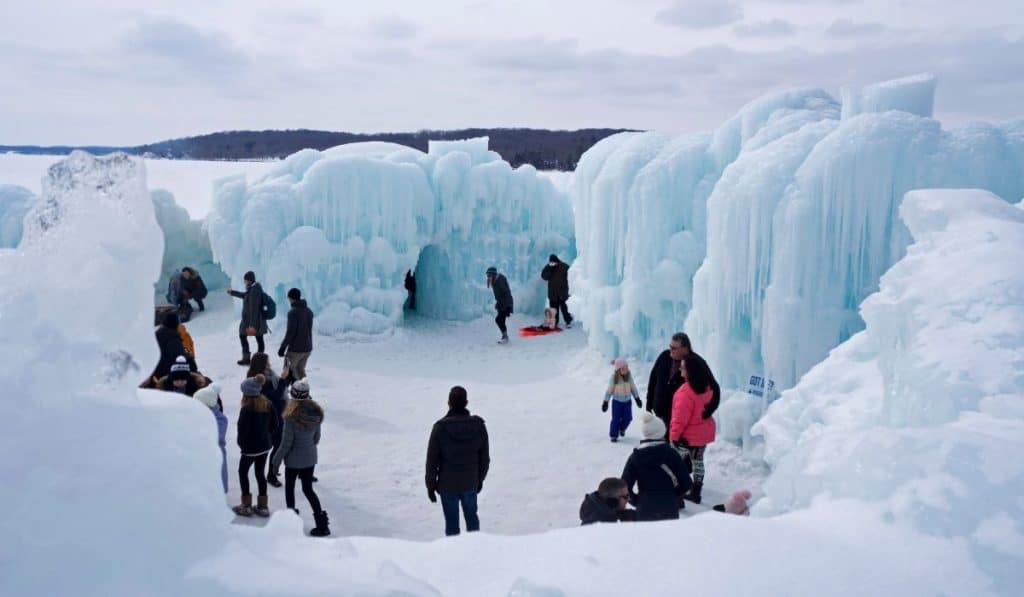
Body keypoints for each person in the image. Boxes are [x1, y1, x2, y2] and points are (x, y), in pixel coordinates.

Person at [425, 386, 490, 537]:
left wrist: (430, 485)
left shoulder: (440, 428)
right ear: (466, 403)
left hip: (447, 486)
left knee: (452, 526)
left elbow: (432, 460)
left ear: (449, 403)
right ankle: (475, 552)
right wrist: (479, 480)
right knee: (472, 522)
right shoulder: (478, 426)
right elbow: (484, 459)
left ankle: (454, 557)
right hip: (470, 483)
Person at [271, 379, 330, 537]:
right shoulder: (317, 414)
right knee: (308, 489)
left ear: (293, 396)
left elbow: (285, 444)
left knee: (290, 490)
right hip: (310, 458)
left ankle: (292, 525)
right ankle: (322, 524)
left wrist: (275, 463)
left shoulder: (290, 418)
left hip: (293, 461)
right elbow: (316, 438)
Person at [645, 332, 721, 436]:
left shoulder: (696, 363)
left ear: (685, 348)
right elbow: (653, 380)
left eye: (674, 348)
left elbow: (714, 388)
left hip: (680, 422)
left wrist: (706, 413)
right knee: (659, 450)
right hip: (659, 416)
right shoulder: (664, 356)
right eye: (670, 346)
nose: (670, 350)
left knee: (673, 450)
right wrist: (649, 404)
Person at [620, 412, 692, 521]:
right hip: (669, 508)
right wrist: (672, 496)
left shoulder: (635, 457)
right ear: (662, 432)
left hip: (644, 508)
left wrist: (637, 501)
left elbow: (624, 486)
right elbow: (686, 483)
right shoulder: (672, 454)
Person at [669, 353, 717, 504]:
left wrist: (674, 438)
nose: (680, 370)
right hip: (702, 435)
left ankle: (677, 491)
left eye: (682, 367)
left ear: (690, 371)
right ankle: (696, 492)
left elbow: (679, 420)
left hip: (686, 437)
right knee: (698, 462)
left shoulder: (685, 393)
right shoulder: (708, 386)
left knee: (674, 462)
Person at [232, 375, 278, 518]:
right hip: (265, 446)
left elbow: (242, 430)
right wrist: (266, 437)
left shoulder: (246, 409)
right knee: (260, 473)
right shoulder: (268, 404)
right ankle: (263, 506)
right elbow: (275, 424)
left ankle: (246, 505)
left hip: (250, 449)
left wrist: (243, 445)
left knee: (242, 472)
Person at [247, 353, 288, 488]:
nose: (269, 364)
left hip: (278, 414)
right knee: (273, 446)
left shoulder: (269, 374)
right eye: (267, 362)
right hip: (270, 417)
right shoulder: (259, 380)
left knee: (276, 445)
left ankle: (271, 472)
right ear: (261, 364)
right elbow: (275, 397)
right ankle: (270, 474)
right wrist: (283, 378)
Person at [227, 271, 268, 366]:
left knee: (255, 338)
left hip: (255, 321)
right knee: (257, 338)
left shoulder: (254, 291)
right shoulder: (252, 289)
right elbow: (244, 296)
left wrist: (252, 326)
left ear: (249, 280)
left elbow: (254, 310)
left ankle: (256, 360)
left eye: (245, 280)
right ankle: (255, 359)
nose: (244, 281)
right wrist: (232, 292)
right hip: (253, 321)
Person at [194, 384, 229, 493]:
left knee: (216, 481)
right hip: (203, 454)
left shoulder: (219, 419)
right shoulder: (199, 414)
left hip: (215, 455)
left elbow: (218, 437)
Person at [278, 288, 313, 381]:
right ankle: (304, 393)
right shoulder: (309, 311)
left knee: (287, 372)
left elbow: (290, 332)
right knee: (300, 370)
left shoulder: (293, 312)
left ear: (291, 298)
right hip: (307, 348)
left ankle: (289, 393)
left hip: (295, 349)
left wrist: (282, 347)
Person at [603, 358, 642, 442]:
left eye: (627, 367)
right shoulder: (614, 378)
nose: (626, 369)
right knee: (615, 419)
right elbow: (609, 390)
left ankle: (622, 428)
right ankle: (614, 435)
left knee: (628, 418)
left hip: (627, 402)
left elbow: (633, 387)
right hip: (617, 402)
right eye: (624, 368)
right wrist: (605, 402)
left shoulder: (629, 376)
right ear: (618, 370)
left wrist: (637, 398)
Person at [151, 311, 187, 382]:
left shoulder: (156, 335)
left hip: (155, 370)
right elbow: (178, 357)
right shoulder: (173, 338)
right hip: (168, 373)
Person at [540, 254, 573, 328]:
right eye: (551, 262)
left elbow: (571, 276)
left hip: (562, 292)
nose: (552, 263)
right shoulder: (549, 267)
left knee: (565, 309)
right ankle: (554, 322)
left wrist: (569, 289)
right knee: (553, 309)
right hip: (553, 293)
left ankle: (568, 321)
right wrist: (549, 268)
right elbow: (544, 276)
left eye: (553, 262)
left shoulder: (564, 267)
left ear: (557, 260)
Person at [486, 266, 513, 344]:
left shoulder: (500, 280)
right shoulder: (494, 280)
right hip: (501, 303)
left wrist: (508, 306)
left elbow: (507, 293)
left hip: (505, 303)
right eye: (487, 275)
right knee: (501, 320)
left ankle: (505, 336)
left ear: (493, 274)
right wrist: (498, 303)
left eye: (489, 275)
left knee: (498, 320)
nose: (488, 277)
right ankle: (505, 336)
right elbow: (499, 295)